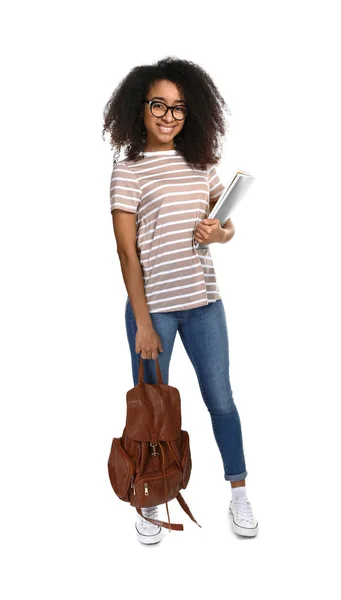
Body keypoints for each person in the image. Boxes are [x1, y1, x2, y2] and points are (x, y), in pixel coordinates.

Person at [102, 56, 258, 544]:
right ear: (139, 108)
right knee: (152, 406)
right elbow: (127, 252)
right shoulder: (128, 170)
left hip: (205, 304)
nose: (169, 117)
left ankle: (239, 494)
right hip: (155, 312)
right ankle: (147, 500)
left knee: (222, 401)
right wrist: (144, 323)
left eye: (179, 109)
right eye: (158, 106)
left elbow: (224, 226)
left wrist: (220, 231)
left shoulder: (201, 162)